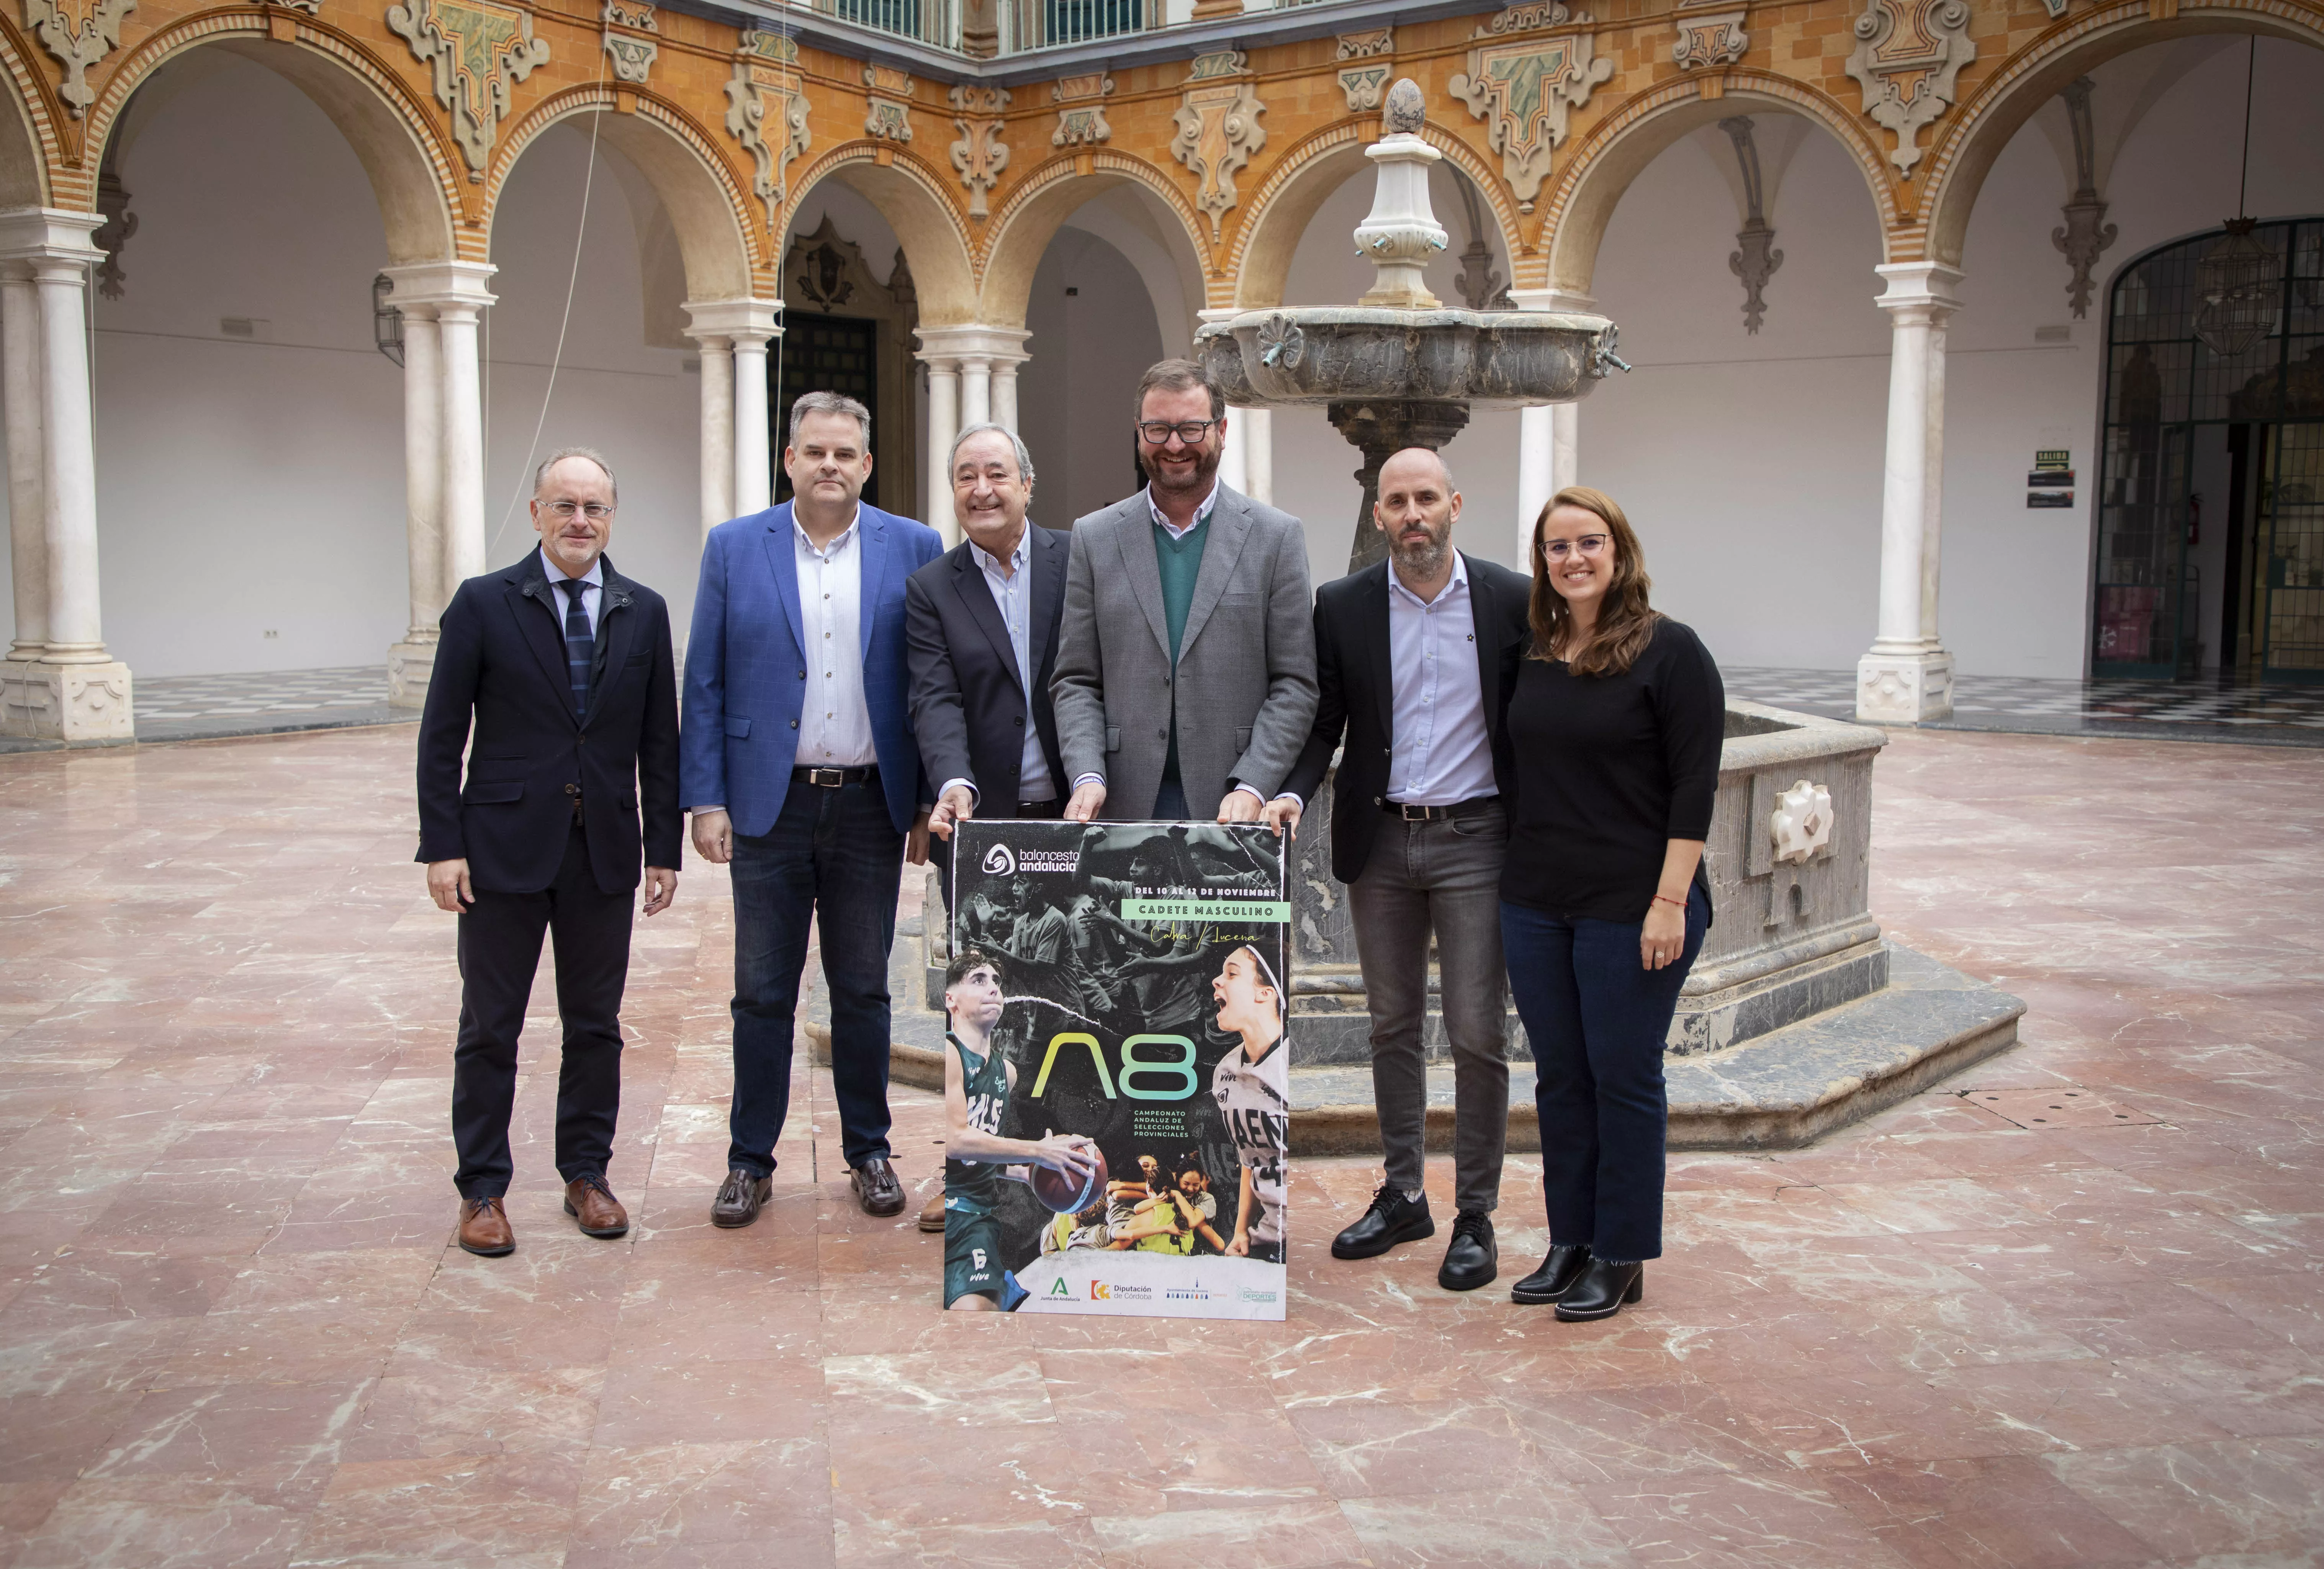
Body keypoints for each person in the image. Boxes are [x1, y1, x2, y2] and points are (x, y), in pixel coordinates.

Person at [682, 391, 943, 1226]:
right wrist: (706, 797)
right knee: (761, 991)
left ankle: (869, 1148)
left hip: (871, 806)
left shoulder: (913, 546)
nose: (829, 464)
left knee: (864, 988)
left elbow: (931, 682)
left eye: (845, 453)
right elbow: (707, 680)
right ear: (787, 460)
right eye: (814, 451)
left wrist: (925, 799)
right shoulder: (733, 548)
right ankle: (749, 1160)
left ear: (867, 464)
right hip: (769, 804)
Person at [1273, 448, 1531, 1293]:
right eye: (1397, 501)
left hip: (1476, 838)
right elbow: (1324, 724)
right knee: (1389, 1025)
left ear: (1455, 502)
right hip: (1380, 841)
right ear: (1377, 514)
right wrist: (1284, 793)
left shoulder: (1511, 600)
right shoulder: (1343, 605)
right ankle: (1404, 1191)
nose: (1413, 513)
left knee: (1474, 1029)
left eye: (1426, 497)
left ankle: (1477, 1213)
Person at [416, 448, 680, 1258]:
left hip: (601, 849)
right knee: (491, 1024)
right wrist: (442, 846)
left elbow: (658, 742)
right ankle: (483, 1188)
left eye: (594, 507)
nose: (579, 521)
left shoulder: (644, 608)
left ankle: (586, 1174)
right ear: (535, 512)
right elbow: (440, 735)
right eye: (564, 505)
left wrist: (663, 848)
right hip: (501, 850)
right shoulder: (483, 603)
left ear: (611, 516)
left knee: (595, 1024)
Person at [1498, 486, 1722, 1322]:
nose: (1574, 559)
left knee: (1623, 1076)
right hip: (1535, 900)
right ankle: (1570, 1238)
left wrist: (1670, 900)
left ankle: (1621, 1250)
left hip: (1634, 904)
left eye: (1589, 542)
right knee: (1560, 1077)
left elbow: (1694, 786)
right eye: (1557, 548)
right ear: (1542, 562)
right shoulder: (1536, 650)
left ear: (1619, 551)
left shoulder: (1672, 651)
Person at [906, 422, 1070, 1233]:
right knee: (979, 1008)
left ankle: (1057, 1161)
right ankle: (972, 1169)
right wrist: (954, 780)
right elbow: (934, 696)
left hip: (1078, 817)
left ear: (1026, 484)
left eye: (997, 473)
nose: (981, 489)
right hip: (984, 826)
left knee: (1063, 999)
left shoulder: (1079, 560)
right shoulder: (932, 586)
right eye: (965, 475)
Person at [1051, 359, 1317, 825]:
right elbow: (1075, 680)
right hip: (1121, 804)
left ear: (1221, 430)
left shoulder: (1276, 537)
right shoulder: (1093, 538)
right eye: (1157, 429)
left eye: (1191, 429)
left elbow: (1295, 683)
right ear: (1138, 432)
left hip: (1234, 806)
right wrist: (1087, 774)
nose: (1174, 445)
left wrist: (1254, 782)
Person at [939, 949, 1100, 1309]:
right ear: (951, 999)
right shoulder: (949, 1055)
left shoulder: (1006, 1073)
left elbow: (982, 1155)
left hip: (973, 1214)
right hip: (942, 1204)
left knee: (976, 1314)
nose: (993, 988)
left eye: (996, 981)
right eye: (979, 980)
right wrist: (1038, 1151)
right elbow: (956, 1141)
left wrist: (1025, 1173)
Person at [1210, 944, 1290, 1262]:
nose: (1217, 981)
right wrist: (1241, 1230)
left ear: (1266, 993)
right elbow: (1251, 1158)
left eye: (1232, 973)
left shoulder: (1294, 1061)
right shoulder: (1225, 1072)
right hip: (1267, 1238)